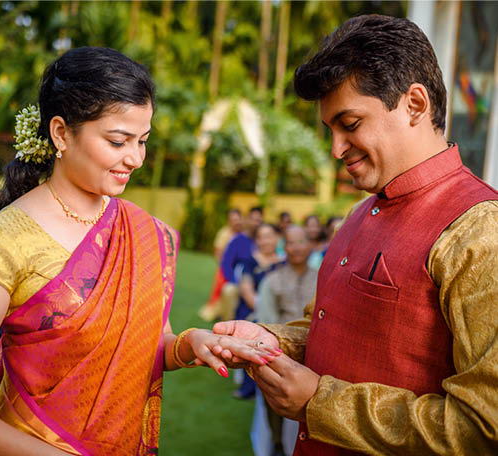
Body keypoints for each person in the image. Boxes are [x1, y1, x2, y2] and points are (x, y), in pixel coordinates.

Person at [213, 14, 498, 454]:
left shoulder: (480, 229)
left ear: (415, 105)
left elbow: (482, 427)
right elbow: (333, 331)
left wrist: (320, 402)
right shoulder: (359, 213)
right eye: (330, 130)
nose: (335, 149)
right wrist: (274, 341)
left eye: (350, 124)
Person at [0, 47, 277, 455]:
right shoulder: (4, 240)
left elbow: (153, 344)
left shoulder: (141, 233)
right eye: (118, 141)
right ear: (61, 133)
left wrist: (191, 344)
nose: (135, 158)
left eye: (143, 141)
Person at [253, 225, 318, 456]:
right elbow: (267, 321)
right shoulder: (272, 281)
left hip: (316, 355)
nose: (297, 248)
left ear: (309, 245)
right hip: (280, 354)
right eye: (291, 243)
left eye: (301, 242)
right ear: (284, 247)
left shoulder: (323, 278)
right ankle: (277, 443)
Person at [232, 223, 282, 400]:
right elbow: (248, 292)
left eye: (270, 236)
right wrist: (265, 313)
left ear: (277, 238)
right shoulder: (250, 262)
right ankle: (249, 387)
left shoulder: (283, 263)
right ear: (257, 240)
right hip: (253, 312)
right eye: (262, 237)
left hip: (279, 314)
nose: (267, 241)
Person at [209, 206, 264, 322]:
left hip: (259, 284)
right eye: (253, 219)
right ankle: (229, 323)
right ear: (247, 220)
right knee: (229, 290)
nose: (256, 223)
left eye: (259, 220)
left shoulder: (263, 241)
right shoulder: (238, 240)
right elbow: (226, 264)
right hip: (238, 282)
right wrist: (235, 282)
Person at [199, 209, 242, 321]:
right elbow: (218, 253)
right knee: (219, 290)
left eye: (237, 219)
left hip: (238, 268)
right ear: (229, 221)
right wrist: (225, 267)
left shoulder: (242, 234)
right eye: (233, 220)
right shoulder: (224, 233)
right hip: (225, 267)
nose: (236, 222)